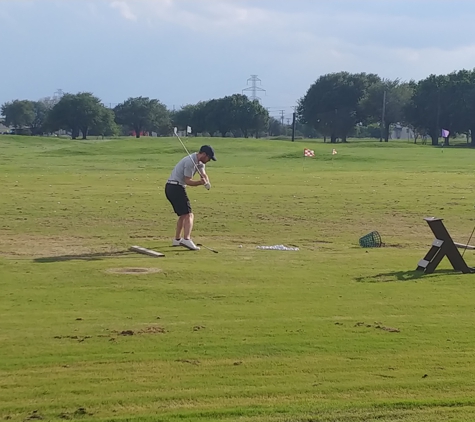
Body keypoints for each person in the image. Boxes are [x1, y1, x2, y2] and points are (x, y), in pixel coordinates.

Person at [165, 145, 216, 251]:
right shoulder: (190, 162)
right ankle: (187, 239)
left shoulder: (200, 162)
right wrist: (200, 183)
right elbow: (188, 181)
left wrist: (207, 182)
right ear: (204, 154)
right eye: (209, 158)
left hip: (172, 187)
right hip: (175, 187)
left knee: (183, 215)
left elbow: (203, 174)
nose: (209, 160)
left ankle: (177, 240)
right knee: (189, 214)